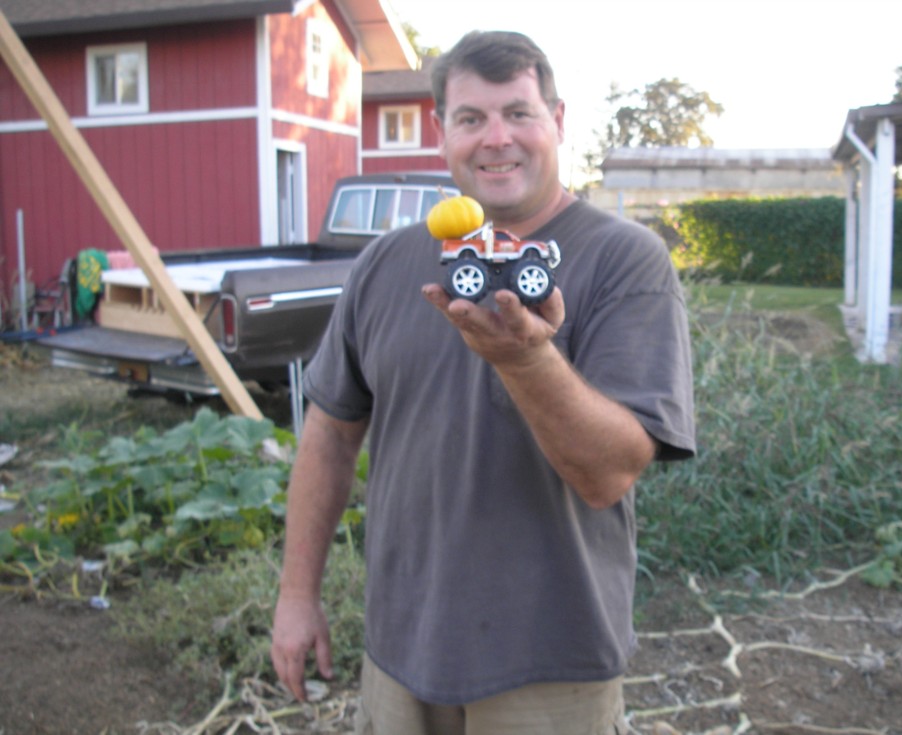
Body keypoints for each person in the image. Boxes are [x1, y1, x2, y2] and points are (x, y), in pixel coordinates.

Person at [271, 30, 696, 735]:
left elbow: (609, 474)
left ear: (557, 120)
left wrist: (526, 360)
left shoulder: (625, 261)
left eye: (518, 113)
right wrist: (295, 595)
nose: (497, 139)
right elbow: (330, 436)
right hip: (400, 651)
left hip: (549, 666)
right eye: (471, 118)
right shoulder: (385, 263)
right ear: (441, 131)